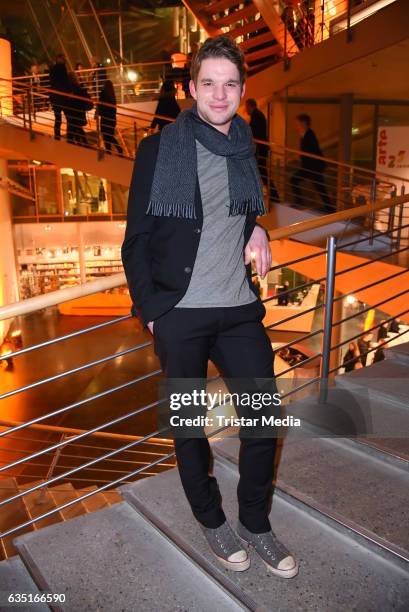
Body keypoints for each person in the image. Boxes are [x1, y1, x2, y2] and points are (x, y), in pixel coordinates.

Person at [122, 35, 297, 578]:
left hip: (238, 307)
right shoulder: (159, 149)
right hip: (179, 312)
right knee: (189, 424)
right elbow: (136, 240)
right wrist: (152, 311)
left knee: (264, 420)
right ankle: (211, 519)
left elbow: (236, 213)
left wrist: (259, 227)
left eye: (230, 84)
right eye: (208, 83)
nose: (219, 95)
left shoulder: (245, 145)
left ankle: (255, 522)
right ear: (192, 87)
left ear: (242, 90)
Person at [290, 114, 332, 213]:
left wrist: (299, 156)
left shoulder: (309, 134)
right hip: (310, 167)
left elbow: (311, 151)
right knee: (320, 187)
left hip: (313, 167)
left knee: (296, 180)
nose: (295, 126)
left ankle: (300, 202)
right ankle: (329, 208)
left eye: (297, 123)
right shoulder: (304, 135)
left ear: (303, 123)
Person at [245, 98, 280, 203]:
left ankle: (273, 195)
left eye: (247, 107)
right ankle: (273, 195)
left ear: (251, 106)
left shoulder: (256, 116)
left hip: (260, 149)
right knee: (261, 172)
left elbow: (255, 133)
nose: (246, 110)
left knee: (261, 172)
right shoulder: (257, 115)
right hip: (260, 149)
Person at [49, 55, 72, 140]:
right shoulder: (62, 68)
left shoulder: (52, 69)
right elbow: (65, 81)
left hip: (54, 96)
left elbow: (51, 82)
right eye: (63, 59)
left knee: (58, 118)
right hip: (63, 96)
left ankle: (57, 137)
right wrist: (70, 92)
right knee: (69, 117)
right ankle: (69, 137)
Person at [96, 79, 123, 155]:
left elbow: (100, 106)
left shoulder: (103, 94)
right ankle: (118, 149)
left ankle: (110, 152)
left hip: (105, 118)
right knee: (110, 136)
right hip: (112, 118)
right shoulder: (112, 96)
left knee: (106, 136)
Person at [66, 72, 93, 146]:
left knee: (74, 127)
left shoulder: (68, 87)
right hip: (78, 110)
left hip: (71, 111)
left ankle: (79, 142)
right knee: (77, 127)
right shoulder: (76, 87)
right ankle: (82, 143)